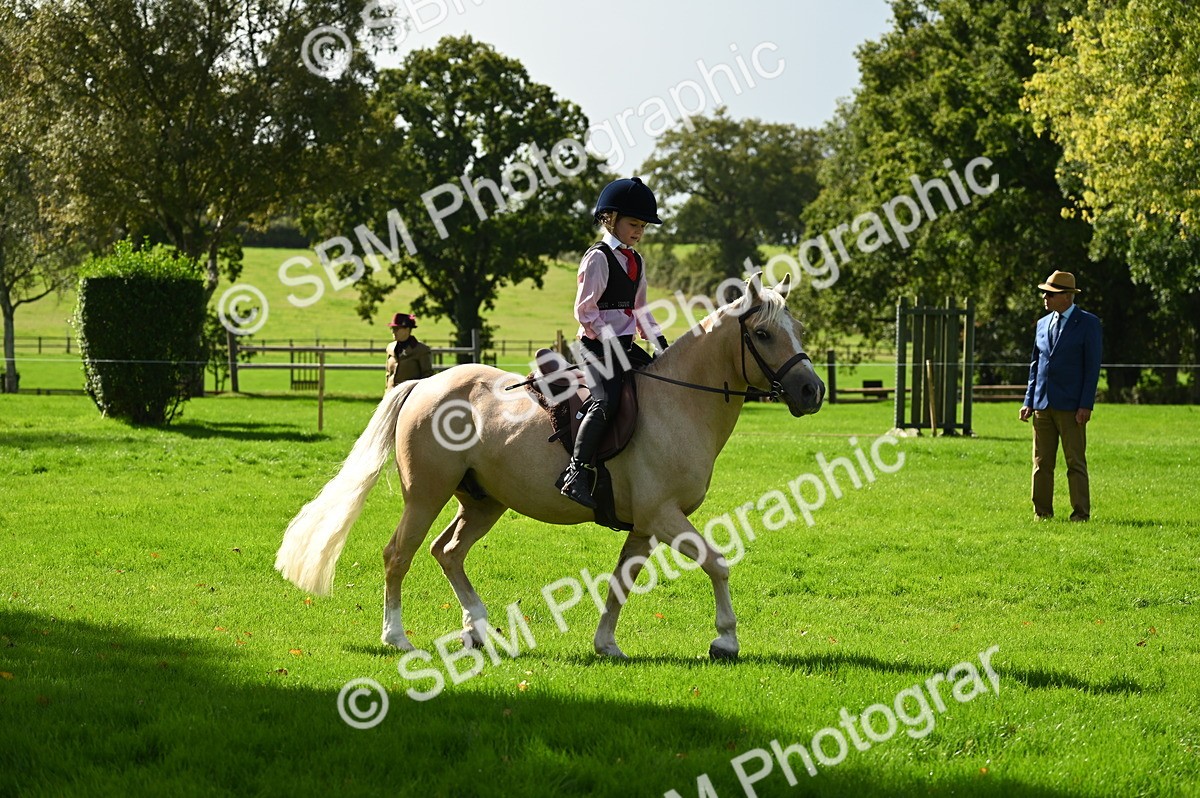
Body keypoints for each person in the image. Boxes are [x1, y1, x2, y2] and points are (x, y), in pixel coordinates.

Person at [557, 177, 669, 509]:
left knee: (658, 388)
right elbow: (585, 311)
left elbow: (640, 310)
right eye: (633, 224)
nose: (639, 231)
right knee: (606, 400)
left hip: (623, 345)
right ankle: (575, 472)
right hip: (594, 346)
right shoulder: (598, 258)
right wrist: (610, 341)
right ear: (611, 218)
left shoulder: (636, 261)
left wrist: (661, 343)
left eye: (643, 226)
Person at [1019, 270, 1103, 521]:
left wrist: (1085, 404)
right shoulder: (1043, 324)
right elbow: (1036, 365)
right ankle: (1041, 513)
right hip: (1042, 404)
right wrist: (1028, 401)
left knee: (1074, 463)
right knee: (1041, 463)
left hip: (1072, 407)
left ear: (1067, 297)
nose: (1045, 297)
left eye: (1051, 293)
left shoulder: (1088, 323)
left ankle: (1080, 513)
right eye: (1045, 292)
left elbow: (1092, 368)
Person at [384, 312, 434, 390]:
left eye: (396, 329)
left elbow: (427, 376)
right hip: (390, 395)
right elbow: (388, 374)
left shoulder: (421, 349)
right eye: (392, 328)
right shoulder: (390, 348)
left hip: (411, 396)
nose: (393, 332)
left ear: (407, 329)